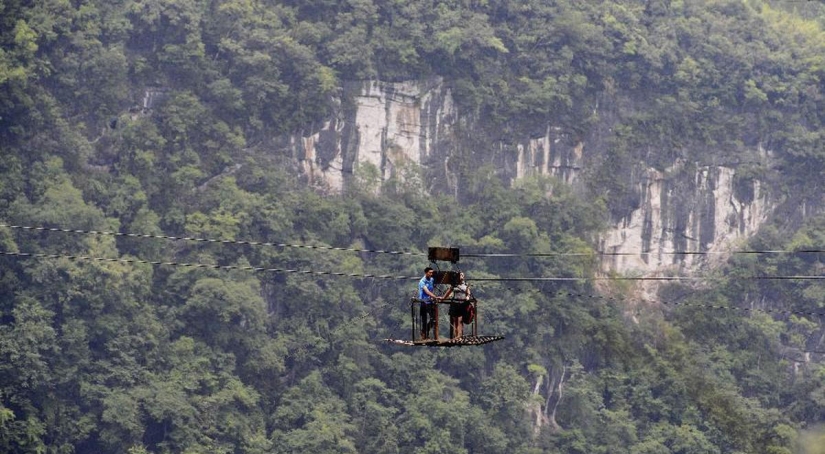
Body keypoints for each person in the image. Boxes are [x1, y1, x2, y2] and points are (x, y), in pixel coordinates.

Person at [443, 272, 472, 339]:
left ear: (463, 277)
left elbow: (468, 293)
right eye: (459, 275)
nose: (460, 276)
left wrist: (467, 297)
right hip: (455, 303)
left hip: (462, 303)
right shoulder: (454, 285)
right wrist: (443, 298)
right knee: (455, 320)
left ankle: (460, 335)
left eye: (462, 275)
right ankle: (456, 335)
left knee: (461, 320)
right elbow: (449, 292)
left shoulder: (465, 285)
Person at [418, 267, 440, 340]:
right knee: (424, 319)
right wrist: (434, 297)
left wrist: (433, 296)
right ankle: (425, 335)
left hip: (430, 302)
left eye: (432, 273)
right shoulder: (422, 281)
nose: (431, 274)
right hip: (424, 302)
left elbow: (432, 289)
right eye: (430, 272)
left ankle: (424, 331)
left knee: (433, 318)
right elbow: (427, 291)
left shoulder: (432, 280)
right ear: (426, 273)